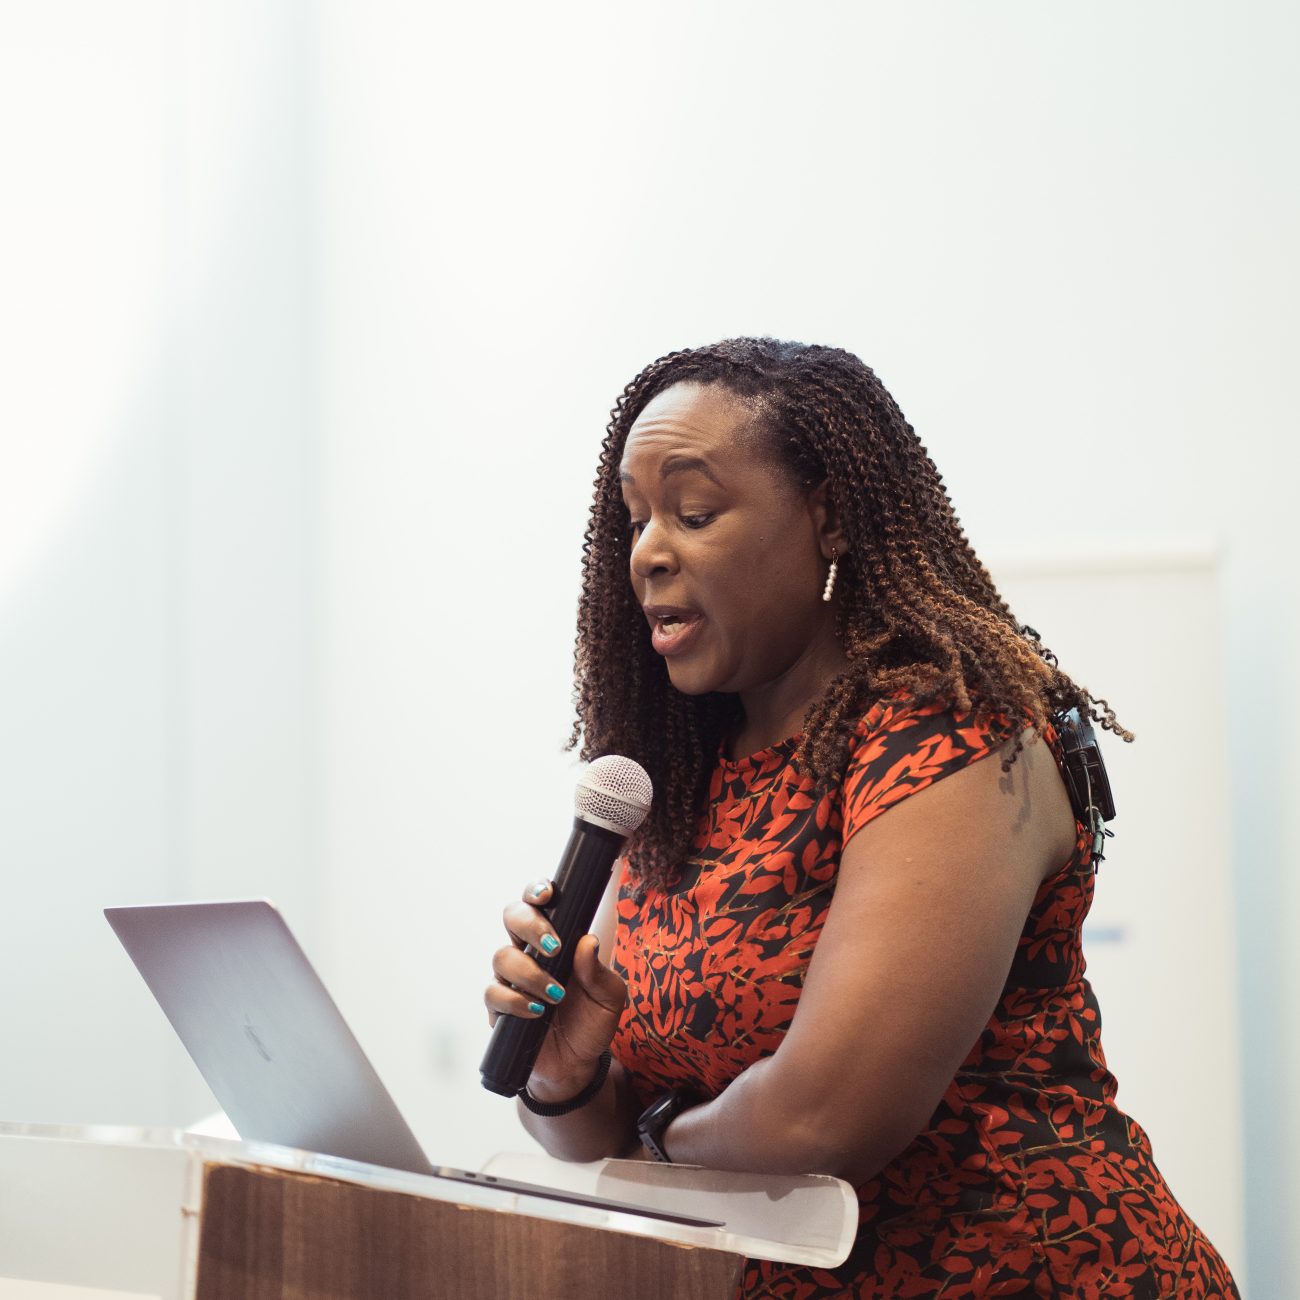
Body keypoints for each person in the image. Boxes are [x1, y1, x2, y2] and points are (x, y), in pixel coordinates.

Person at [484, 338, 1239, 1298]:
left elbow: (825, 1118)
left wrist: (646, 1146)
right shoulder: (679, 780)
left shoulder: (951, 734)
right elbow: (594, 1132)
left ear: (830, 516)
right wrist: (565, 1076)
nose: (649, 552)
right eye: (635, 521)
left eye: (694, 512)